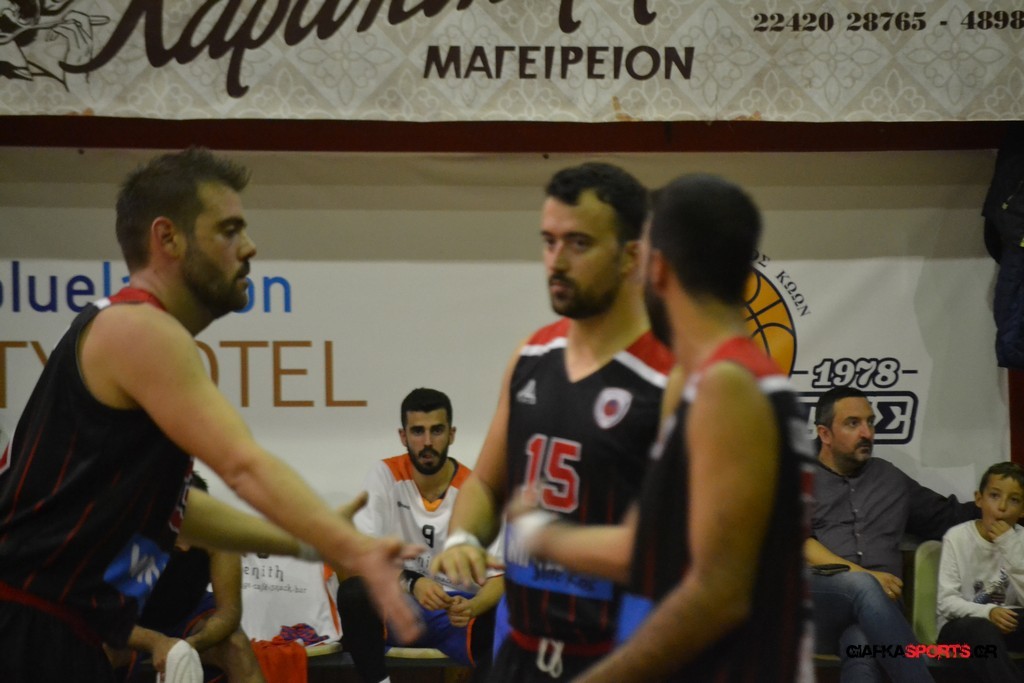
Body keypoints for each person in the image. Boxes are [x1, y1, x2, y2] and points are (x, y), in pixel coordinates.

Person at [0, 147, 420, 682]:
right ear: (168, 238)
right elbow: (244, 466)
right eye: (228, 230)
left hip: (59, 629)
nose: (249, 246)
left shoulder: (134, 334)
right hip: (27, 625)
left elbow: (181, 509)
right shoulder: (140, 329)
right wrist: (346, 543)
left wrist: (306, 542)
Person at [505, 174, 816, 681]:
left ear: (658, 269)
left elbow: (716, 595)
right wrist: (542, 535)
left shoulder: (726, 386)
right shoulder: (732, 379)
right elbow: (644, 546)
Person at [431, 162, 674, 681]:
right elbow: (486, 485)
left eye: (579, 243)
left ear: (631, 256)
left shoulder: (673, 379)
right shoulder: (531, 356)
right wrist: (463, 540)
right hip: (522, 651)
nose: (557, 261)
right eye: (549, 242)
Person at [807, 385, 977, 683]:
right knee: (863, 585)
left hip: (883, 611)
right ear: (825, 434)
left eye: (870, 422)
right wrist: (868, 576)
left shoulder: (890, 478)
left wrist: (998, 508)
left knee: (861, 645)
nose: (867, 433)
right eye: (853, 423)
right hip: (820, 608)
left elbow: (947, 517)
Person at [337, 388, 503, 683]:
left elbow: (499, 578)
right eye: (417, 431)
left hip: (456, 614)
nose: (427, 442)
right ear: (403, 436)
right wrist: (413, 583)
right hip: (400, 608)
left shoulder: (476, 490)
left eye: (436, 430)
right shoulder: (384, 474)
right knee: (354, 592)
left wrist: (472, 607)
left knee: (510, 611)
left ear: (451, 434)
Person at [109, 472, 266, 683]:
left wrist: (191, 644)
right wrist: (156, 642)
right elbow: (105, 617)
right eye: (180, 529)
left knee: (236, 646)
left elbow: (228, 613)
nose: (186, 546)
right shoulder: (125, 533)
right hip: (129, 619)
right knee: (97, 650)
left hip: (188, 614)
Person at [937, 461, 1024, 682]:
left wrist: (1011, 547)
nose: (1002, 507)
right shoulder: (957, 537)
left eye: (1013, 500)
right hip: (961, 627)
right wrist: (989, 612)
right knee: (982, 630)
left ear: (1023, 510)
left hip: (1007, 624)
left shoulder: (1021, 540)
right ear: (979, 499)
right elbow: (947, 603)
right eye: (994, 496)